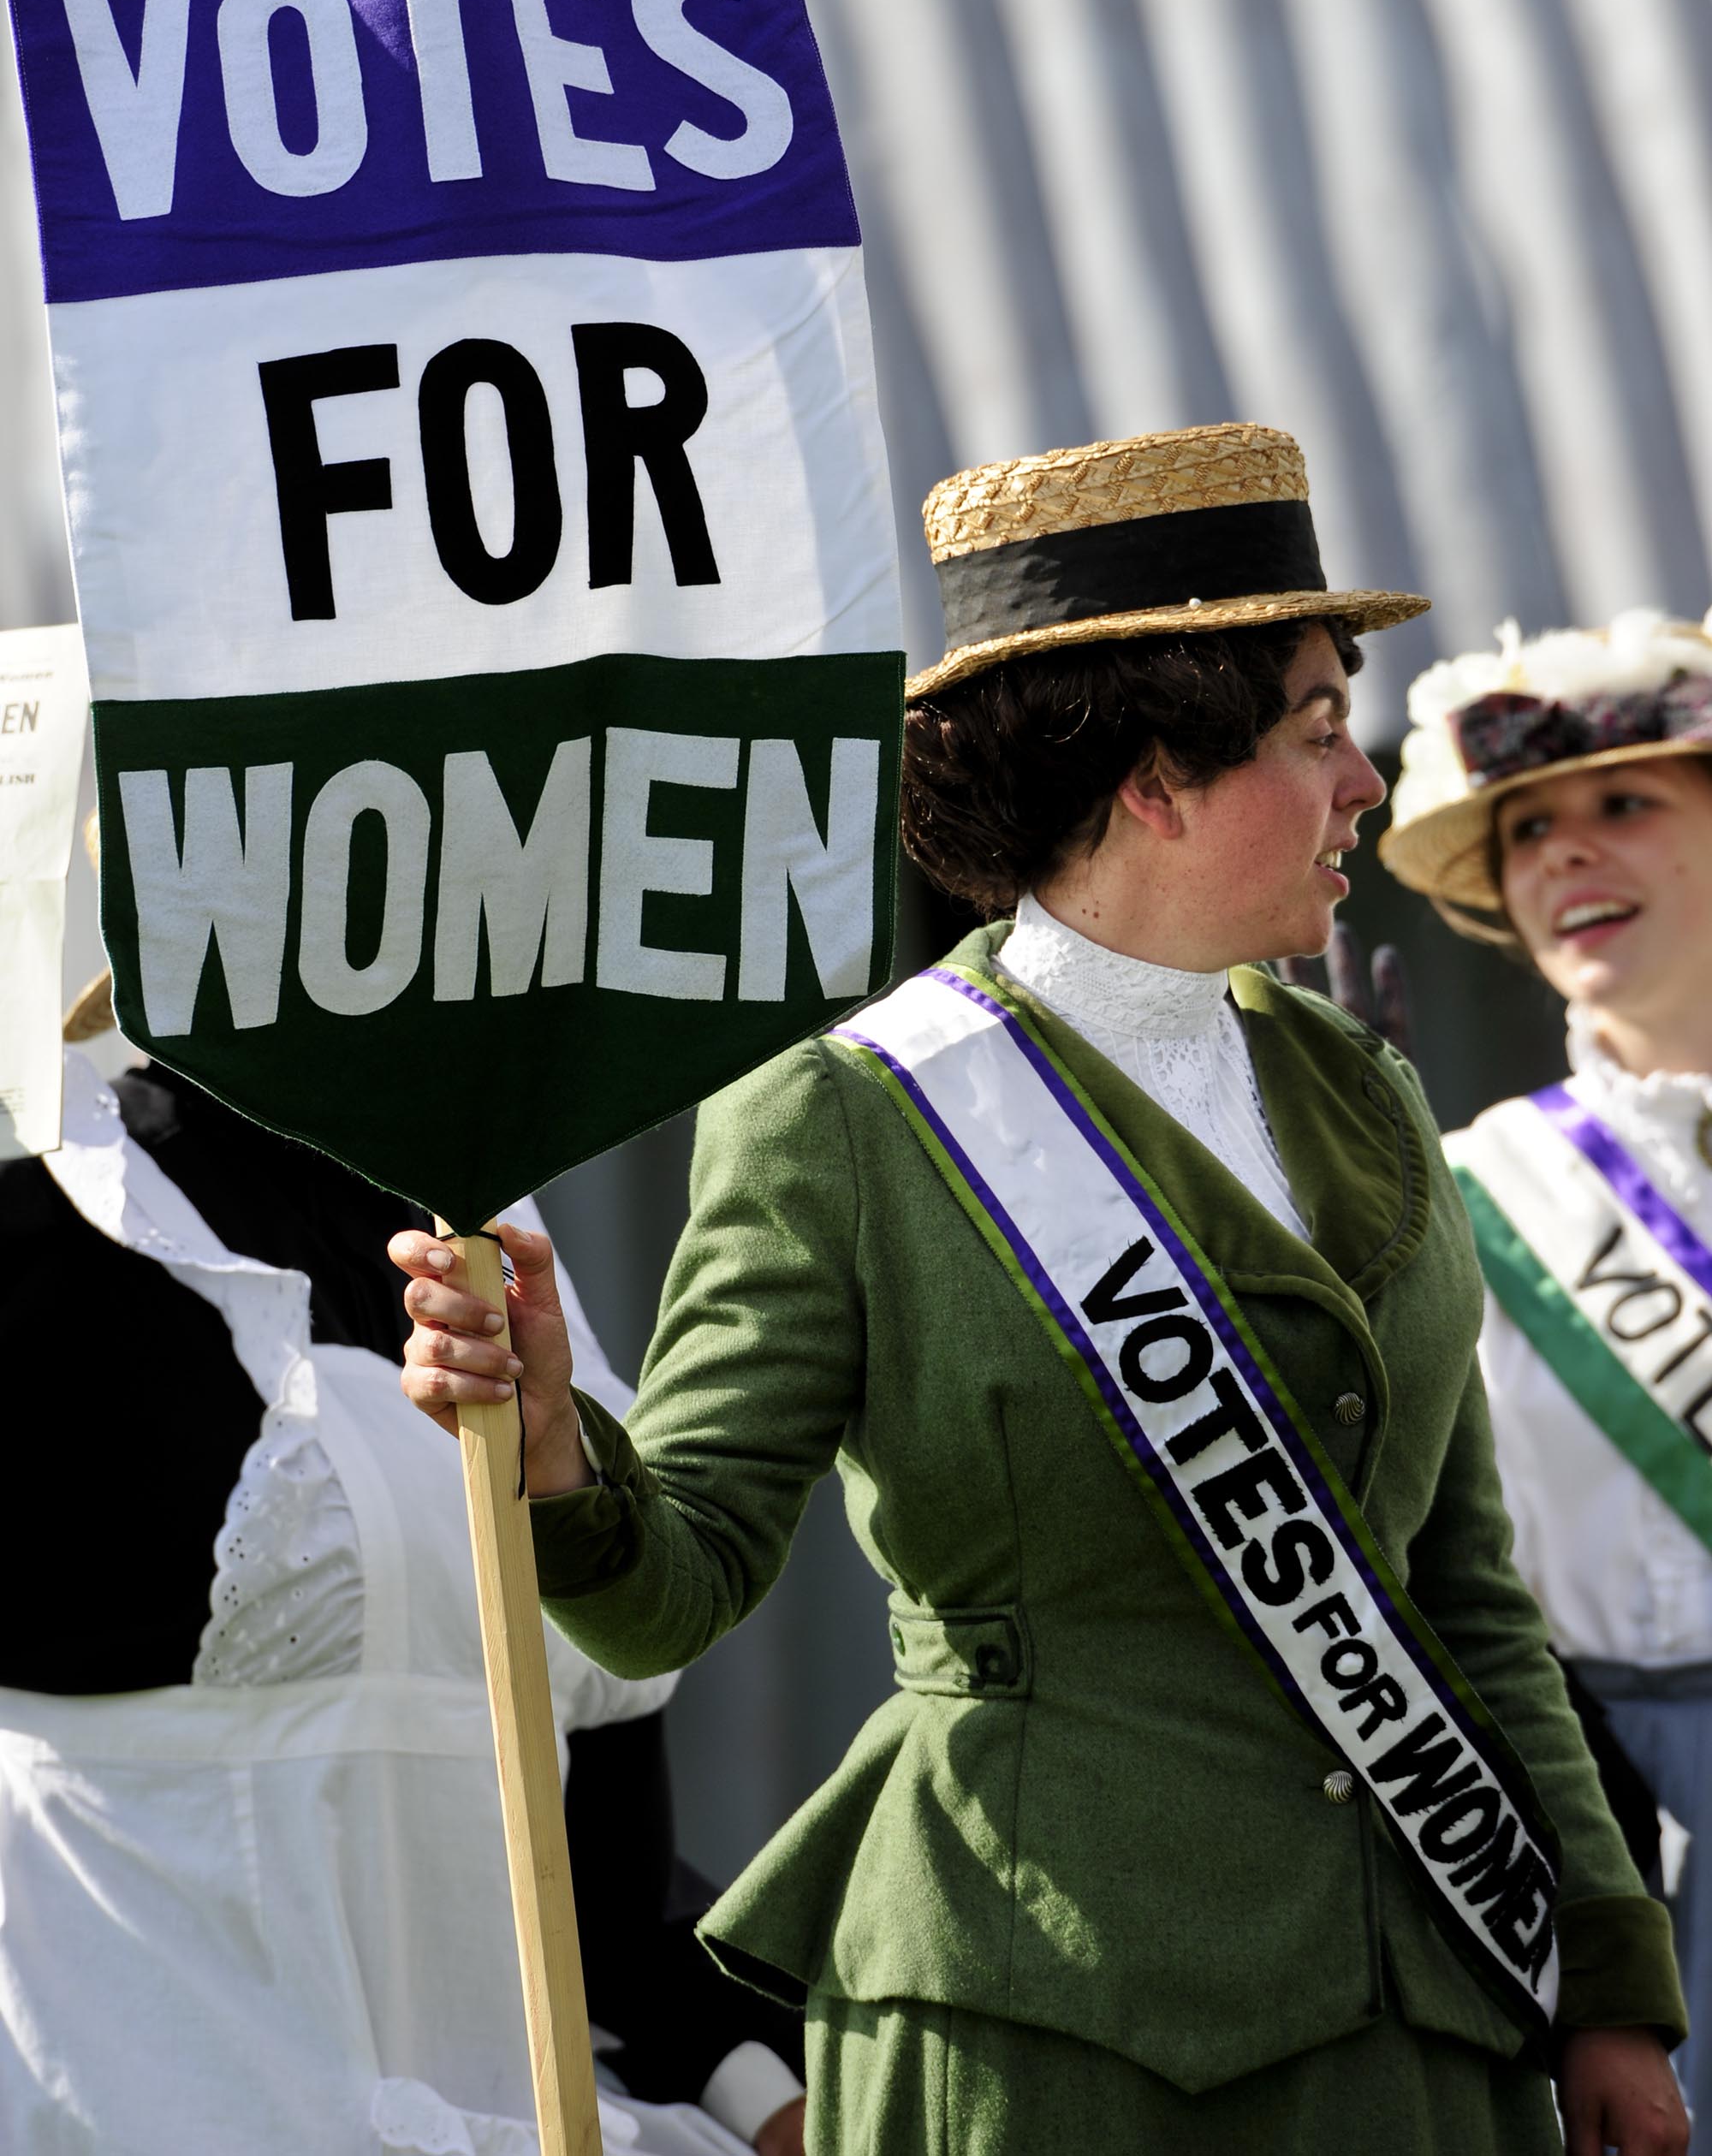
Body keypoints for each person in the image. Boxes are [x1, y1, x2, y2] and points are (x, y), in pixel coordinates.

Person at [399, 424, 1687, 2153]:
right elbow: (669, 1594)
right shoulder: (848, 1117)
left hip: (1421, 2032)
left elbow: (1462, 1588)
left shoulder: (1370, 1094)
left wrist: (1605, 1986)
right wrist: (558, 1449)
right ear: (1157, 776)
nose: (1364, 786)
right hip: (1052, 2032)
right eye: (1317, 731)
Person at [0, 1016, 805, 2154]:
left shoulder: (499, 1236)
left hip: (527, 2114)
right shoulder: (48, 1225)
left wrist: (773, 2099)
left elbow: (604, 1883)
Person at [1382, 604, 1712, 2129]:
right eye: (1525, 829)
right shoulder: (1463, 1191)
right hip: (1610, 1828)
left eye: (1624, 801)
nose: (1566, 851)